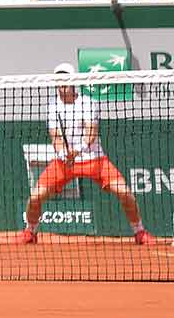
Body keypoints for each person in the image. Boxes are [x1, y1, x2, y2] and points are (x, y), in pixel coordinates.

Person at [19, 64, 152, 246]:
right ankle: (31, 231)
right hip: (64, 163)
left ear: (74, 81)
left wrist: (77, 149)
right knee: (35, 197)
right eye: (58, 79)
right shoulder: (52, 105)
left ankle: (139, 232)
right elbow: (56, 136)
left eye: (65, 79)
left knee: (125, 192)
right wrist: (63, 153)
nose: (61, 83)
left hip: (95, 160)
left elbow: (91, 134)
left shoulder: (88, 103)